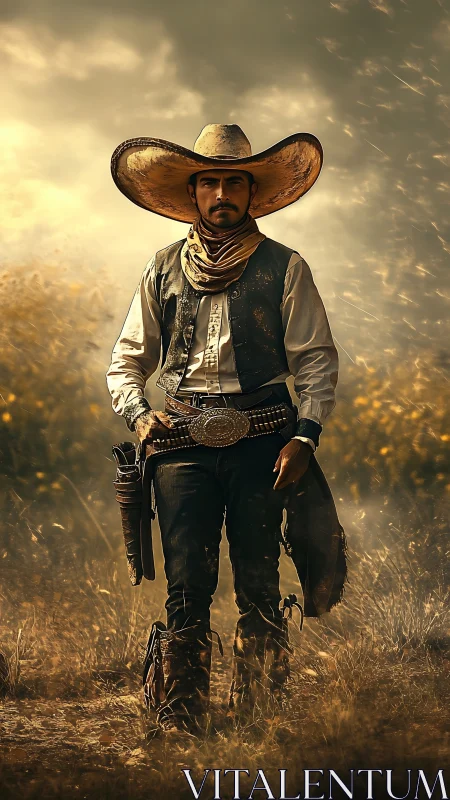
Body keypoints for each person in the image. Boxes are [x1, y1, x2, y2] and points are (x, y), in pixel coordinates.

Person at [106, 123, 342, 736]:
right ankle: (182, 716)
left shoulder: (285, 266)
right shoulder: (162, 268)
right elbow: (126, 359)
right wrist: (140, 414)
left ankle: (257, 715)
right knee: (187, 581)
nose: (220, 195)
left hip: (264, 440)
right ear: (193, 193)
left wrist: (304, 436)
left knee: (259, 578)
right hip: (180, 444)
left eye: (233, 183)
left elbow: (316, 360)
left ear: (250, 192)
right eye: (209, 183)